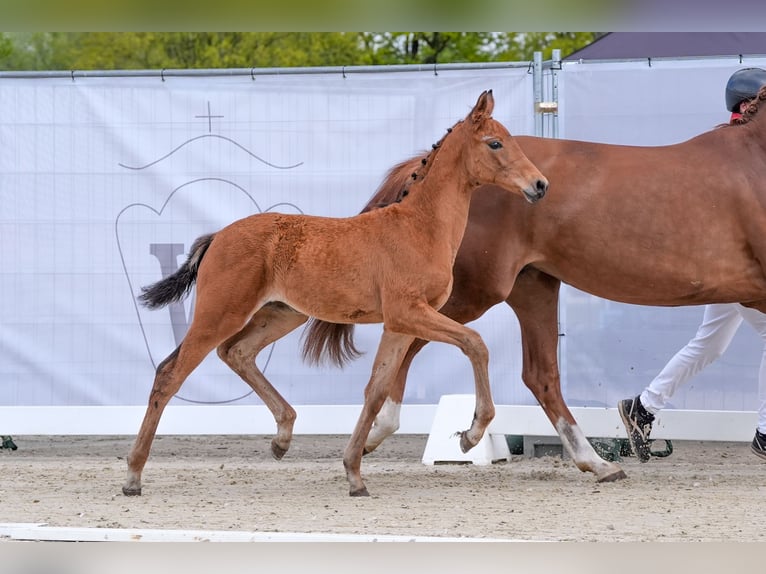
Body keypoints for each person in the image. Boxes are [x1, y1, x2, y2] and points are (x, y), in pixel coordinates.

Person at [618, 67, 766, 463]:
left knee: (709, 344)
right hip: (738, 270)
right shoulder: (740, 151)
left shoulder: (739, 148)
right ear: (750, 104)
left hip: (730, 268)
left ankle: (644, 408)